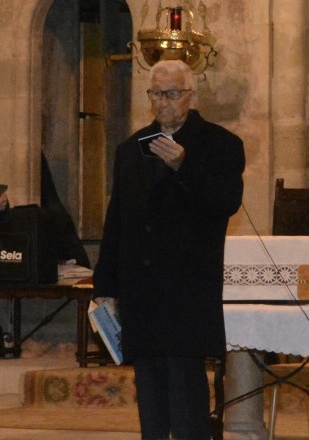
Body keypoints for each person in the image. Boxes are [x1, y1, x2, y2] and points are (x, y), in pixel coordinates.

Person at [93, 59, 245, 440]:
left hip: (186, 286)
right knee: (150, 393)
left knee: (186, 387)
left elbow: (225, 202)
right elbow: (118, 220)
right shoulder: (131, 149)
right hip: (141, 287)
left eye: (172, 94)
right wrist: (106, 286)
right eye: (156, 94)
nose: (164, 102)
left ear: (190, 97)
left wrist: (184, 166)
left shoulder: (220, 144)